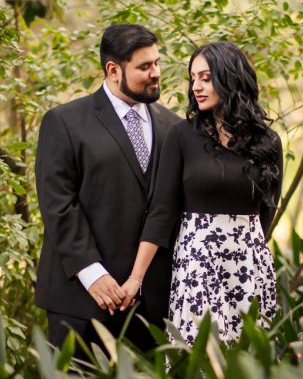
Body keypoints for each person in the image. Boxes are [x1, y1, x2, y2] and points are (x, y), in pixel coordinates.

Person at [120, 41, 283, 345]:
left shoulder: (268, 141)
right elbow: (162, 212)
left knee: (247, 360)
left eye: (206, 78)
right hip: (197, 265)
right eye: (193, 78)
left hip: (249, 268)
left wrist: (247, 253)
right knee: (199, 356)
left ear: (229, 78)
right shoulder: (181, 136)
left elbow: (268, 210)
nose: (196, 86)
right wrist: (135, 278)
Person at [35, 24, 181, 350]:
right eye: (145, 66)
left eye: (157, 63)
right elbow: (58, 204)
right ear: (113, 70)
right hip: (80, 301)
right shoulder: (64, 122)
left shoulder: (174, 127)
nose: (156, 73)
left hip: (153, 305)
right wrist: (93, 274)